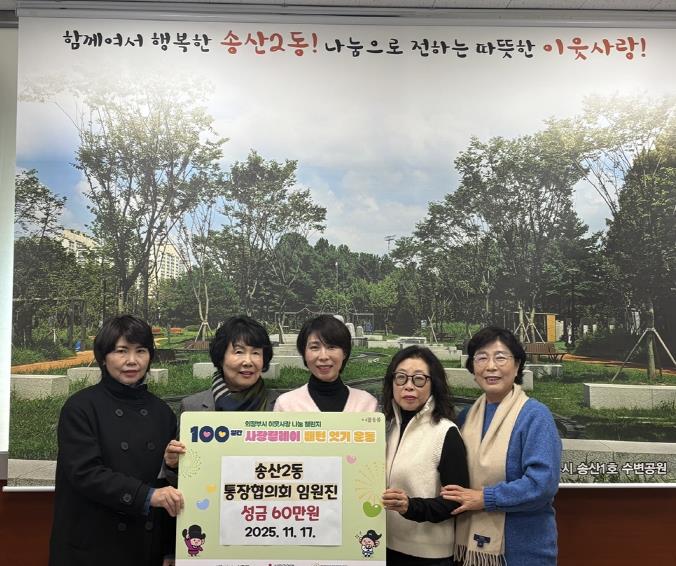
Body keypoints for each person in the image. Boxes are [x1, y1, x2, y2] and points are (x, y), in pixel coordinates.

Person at [49, 315, 183, 566]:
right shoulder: (80, 407)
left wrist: (169, 549)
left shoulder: (162, 413)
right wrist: (147, 496)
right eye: (121, 351)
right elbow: (85, 473)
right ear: (103, 357)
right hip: (92, 546)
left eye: (141, 351)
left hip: (144, 546)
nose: (132, 360)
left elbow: (167, 487)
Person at [441, 326, 561, 566]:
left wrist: (485, 498)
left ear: (517, 366)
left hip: (522, 552)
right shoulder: (466, 417)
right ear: (473, 368)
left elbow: (542, 484)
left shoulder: (535, 416)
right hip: (469, 550)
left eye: (500, 357)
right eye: (481, 358)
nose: (491, 366)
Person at [381, 345, 469, 566]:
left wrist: (411, 507)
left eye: (419, 379)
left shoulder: (446, 432)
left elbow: (456, 501)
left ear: (433, 384)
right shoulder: (386, 428)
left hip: (429, 556)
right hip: (384, 548)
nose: (408, 386)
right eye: (401, 378)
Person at [163, 315, 273, 469]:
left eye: (256, 353)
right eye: (239, 352)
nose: (248, 361)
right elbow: (184, 477)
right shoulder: (192, 407)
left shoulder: (282, 405)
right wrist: (173, 465)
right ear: (221, 357)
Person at [273, 314, 377, 412]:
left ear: (344, 353)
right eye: (314, 347)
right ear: (304, 352)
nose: (323, 356)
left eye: (331, 347)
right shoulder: (286, 405)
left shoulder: (367, 404)